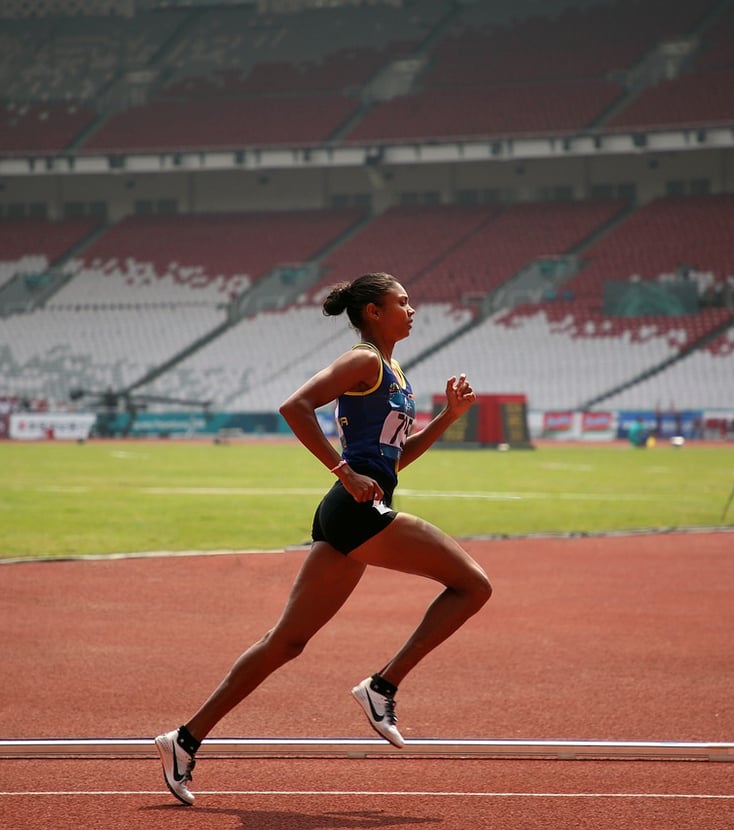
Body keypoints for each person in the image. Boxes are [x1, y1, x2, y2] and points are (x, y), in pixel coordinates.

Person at [154, 272, 493, 806]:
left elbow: (394, 459)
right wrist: (343, 471)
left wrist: (449, 418)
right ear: (374, 312)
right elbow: (295, 406)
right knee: (473, 586)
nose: (412, 309)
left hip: (351, 510)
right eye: (401, 302)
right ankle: (382, 687)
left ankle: (184, 739)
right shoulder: (363, 362)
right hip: (355, 508)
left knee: (286, 642)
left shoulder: (394, 370)